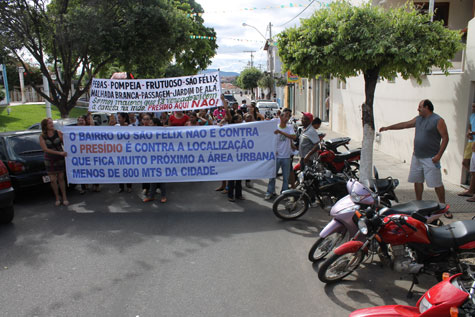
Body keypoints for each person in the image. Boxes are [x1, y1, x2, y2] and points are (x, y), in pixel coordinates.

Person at [379, 99, 451, 218]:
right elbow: (404, 125)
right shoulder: (418, 119)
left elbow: (445, 138)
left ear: (427, 107)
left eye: (420, 107)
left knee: (436, 183)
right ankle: (419, 204)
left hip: (431, 158)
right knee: (417, 181)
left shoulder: (438, 120)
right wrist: (388, 127)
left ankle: (443, 207)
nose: (418, 109)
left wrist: (439, 155)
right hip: (417, 156)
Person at [265, 111, 296, 200]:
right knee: (272, 176)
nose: (287, 118)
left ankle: (284, 193)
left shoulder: (289, 127)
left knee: (285, 177)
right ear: (281, 117)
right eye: (285, 116)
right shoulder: (275, 128)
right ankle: (270, 192)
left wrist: (281, 133)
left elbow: (293, 137)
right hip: (276, 156)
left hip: (286, 156)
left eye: (288, 117)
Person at [39, 118, 69, 206]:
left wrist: (65, 137)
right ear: (45, 126)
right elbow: (45, 149)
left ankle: (64, 197)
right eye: (49, 123)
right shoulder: (42, 136)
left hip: (60, 159)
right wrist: (59, 153)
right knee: (52, 180)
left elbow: (65, 143)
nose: (51, 124)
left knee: (61, 178)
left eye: (52, 123)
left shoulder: (58, 132)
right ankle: (57, 197)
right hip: (50, 160)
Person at [459, 103, 475, 202]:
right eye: (472, 106)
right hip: (470, 142)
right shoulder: (472, 116)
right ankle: (471, 187)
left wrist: (472, 133)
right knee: (465, 163)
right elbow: (470, 126)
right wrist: (469, 132)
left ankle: (471, 189)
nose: (473, 108)